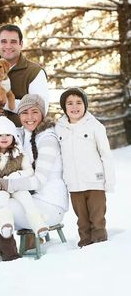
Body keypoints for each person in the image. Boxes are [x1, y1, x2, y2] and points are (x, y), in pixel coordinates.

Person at [0, 94, 69, 276]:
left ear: (42, 114)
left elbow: (38, 180)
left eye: (35, 112)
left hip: (50, 206)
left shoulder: (47, 139)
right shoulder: (25, 137)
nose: (29, 117)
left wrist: (3, 184)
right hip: (33, 201)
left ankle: (11, 260)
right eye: (24, 112)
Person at [55, 87, 116, 248]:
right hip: (74, 185)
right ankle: (85, 247)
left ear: (85, 105)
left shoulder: (95, 126)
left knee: (97, 220)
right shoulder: (59, 128)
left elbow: (106, 155)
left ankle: (100, 247)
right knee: (82, 222)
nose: (74, 107)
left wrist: (109, 182)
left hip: (95, 182)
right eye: (70, 103)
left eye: (78, 102)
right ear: (64, 107)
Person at [0, 116, 48, 239]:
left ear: (13, 137)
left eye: (8, 135)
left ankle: (38, 223)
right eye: (0, 135)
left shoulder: (20, 154)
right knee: (1, 198)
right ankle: (5, 222)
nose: (4, 138)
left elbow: (29, 171)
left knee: (25, 196)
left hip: (16, 186)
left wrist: (16, 175)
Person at [0, 24, 49, 127]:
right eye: (3, 41)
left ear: (21, 44)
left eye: (13, 42)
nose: (8, 46)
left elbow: (42, 107)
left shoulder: (34, 72)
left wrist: (5, 102)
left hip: (22, 135)